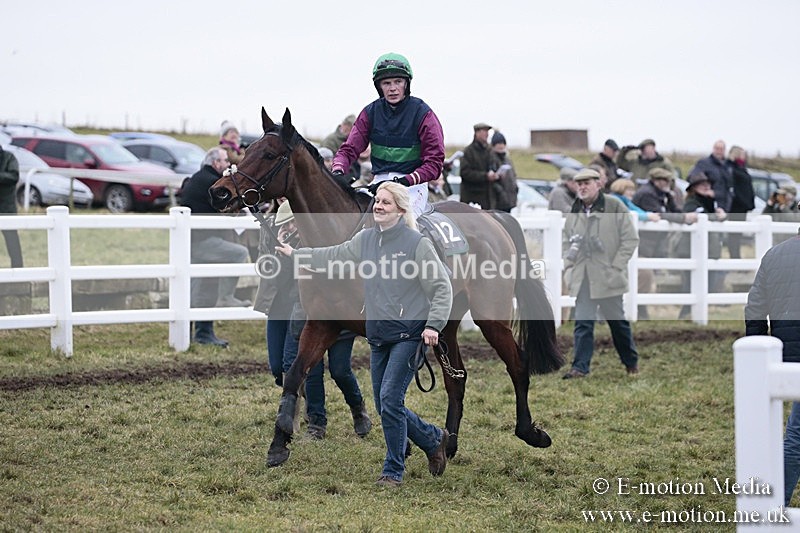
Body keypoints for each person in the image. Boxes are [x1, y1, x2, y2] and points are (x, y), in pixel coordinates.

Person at [275, 182, 452, 487]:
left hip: (408, 335)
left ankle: (393, 471)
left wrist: (434, 325)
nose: (378, 206)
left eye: (385, 203)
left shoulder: (416, 243)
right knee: (387, 405)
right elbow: (333, 255)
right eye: (377, 202)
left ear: (399, 209)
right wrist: (296, 253)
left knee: (388, 399)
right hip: (379, 335)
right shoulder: (366, 240)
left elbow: (441, 288)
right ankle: (434, 438)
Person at [253, 201, 372, 440]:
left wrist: (294, 249)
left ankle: (358, 409)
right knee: (304, 367)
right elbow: (267, 267)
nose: (286, 226)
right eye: (284, 223)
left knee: (339, 369)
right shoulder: (272, 230)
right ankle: (316, 421)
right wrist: (278, 243)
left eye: (290, 223)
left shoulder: (317, 235)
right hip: (297, 309)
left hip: (334, 311)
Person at [331, 53, 445, 217]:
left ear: (406, 84)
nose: (392, 88)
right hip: (379, 183)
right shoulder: (370, 112)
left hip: (412, 186)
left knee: (399, 224)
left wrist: (404, 181)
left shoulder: (423, 113)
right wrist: (338, 171)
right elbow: (348, 150)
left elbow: (434, 163)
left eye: (398, 82)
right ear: (379, 86)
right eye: (386, 83)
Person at [561, 168, 640, 379]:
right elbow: (566, 241)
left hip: (608, 278)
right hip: (583, 277)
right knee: (583, 323)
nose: (582, 187)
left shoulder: (615, 206)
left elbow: (630, 239)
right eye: (579, 184)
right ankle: (580, 367)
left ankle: (631, 362)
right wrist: (569, 268)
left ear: (598, 184)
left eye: (587, 182)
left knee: (617, 324)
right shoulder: (575, 210)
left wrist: (616, 267)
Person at [744, 226, 800, 506]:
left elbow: (754, 308)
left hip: (786, 352)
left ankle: (777, 503)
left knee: (796, 433)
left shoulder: (774, 255)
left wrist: (756, 356)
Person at [181, 147, 251, 346]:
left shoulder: (200, 178)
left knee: (200, 288)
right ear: (215, 163)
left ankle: (200, 334)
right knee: (240, 254)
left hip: (192, 242)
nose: (228, 165)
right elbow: (229, 205)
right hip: (201, 242)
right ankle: (226, 297)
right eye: (224, 161)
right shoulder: (211, 181)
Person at [632, 167, 698, 319]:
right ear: (656, 181)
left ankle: (641, 311)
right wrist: (684, 219)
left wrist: (684, 217)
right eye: (665, 180)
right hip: (642, 243)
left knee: (646, 276)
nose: (669, 183)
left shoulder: (664, 194)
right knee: (643, 275)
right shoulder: (647, 194)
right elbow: (659, 213)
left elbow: (674, 210)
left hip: (653, 243)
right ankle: (639, 311)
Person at [673, 172, 727, 319]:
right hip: (691, 249)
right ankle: (686, 314)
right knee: (691, 285)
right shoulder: (692, 202)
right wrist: (717, 216)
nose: (706, 187)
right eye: (702, 184)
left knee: (707, 283)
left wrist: (719, 214)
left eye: (707, 184)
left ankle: (691, 314)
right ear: (694, 188)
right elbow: (697, 217)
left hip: (708, 249)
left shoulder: (709, 202)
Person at [725, 145, 755, 259]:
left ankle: (736, 257)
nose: (744, 156)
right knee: (734, 234)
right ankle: (734, 258)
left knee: (738, 234)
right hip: (736, 206)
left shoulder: (741, 167)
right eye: (742, 154)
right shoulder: (731, 167)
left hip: (743, 207)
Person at [460, 122, 496, 209]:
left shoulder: (490, 150)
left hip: (488, 199)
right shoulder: (468, 151)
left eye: (487, 131)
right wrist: (485, 176)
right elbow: (465, 173)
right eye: (484, 131)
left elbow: (493, 165)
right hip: (472, 199)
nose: (487, 134)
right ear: (477, 133)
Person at [693, 140, 733, 214]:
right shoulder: (704, 163)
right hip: (710, 204)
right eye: (717, 149)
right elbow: (693, 177)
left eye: (721, 149)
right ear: (713, 149)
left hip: (726, 205)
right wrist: (705, 191)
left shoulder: (727, 166)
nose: (719, 151)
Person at [0, 146, 22, 268]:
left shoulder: (9, 158)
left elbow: (14, 176)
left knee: (12, 240)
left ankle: (18, 268)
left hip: (6, 206)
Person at [488, 131, 518, 212]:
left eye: (502, 143)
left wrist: (515, 188)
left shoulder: (507, 160)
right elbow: (492, 180)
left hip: (510, 199)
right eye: (498, 144)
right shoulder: (491, 159)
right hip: (498, 201)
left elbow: (513, 176)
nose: (501, 146)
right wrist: (501, 192)